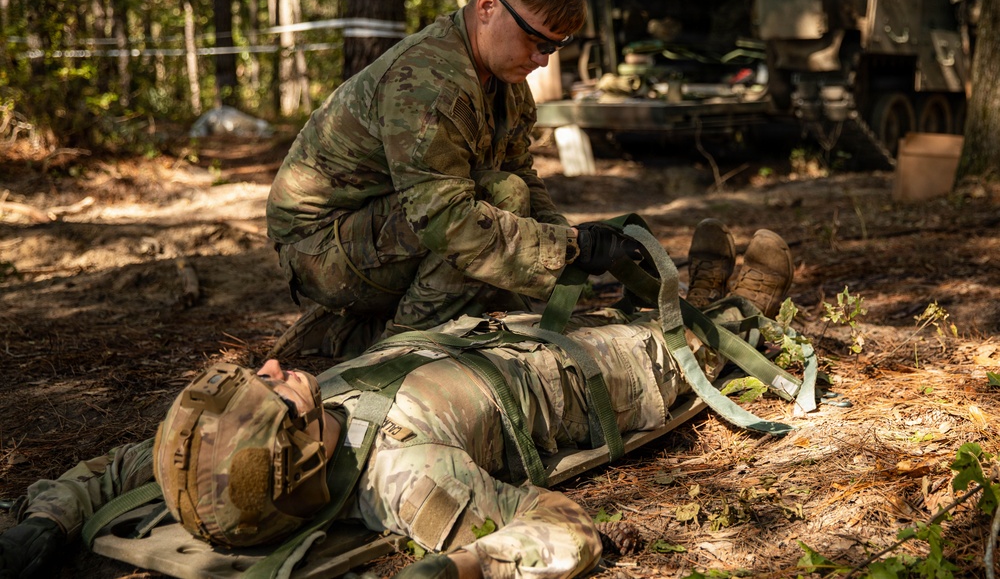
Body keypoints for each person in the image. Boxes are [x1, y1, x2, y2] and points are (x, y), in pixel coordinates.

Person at [0, 220, 799, 579]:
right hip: (565, 386)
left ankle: (705, 296)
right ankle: (742, 307)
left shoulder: (207, 451)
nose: (277, 365)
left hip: (473, 342)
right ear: (302, 452)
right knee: (666, 347)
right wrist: (467, 566)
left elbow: (114, 469)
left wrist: (47, 517)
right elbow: (562, 532)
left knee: (593, 307)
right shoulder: (408, 481)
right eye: (276, 390)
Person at [265, 0, 633, 359]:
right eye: (535, 40)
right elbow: (445, 220)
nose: (540, 59)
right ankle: (392, 353)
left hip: (382, 226)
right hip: (318, 248)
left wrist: (573, 238)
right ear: (487, 6)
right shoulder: (429, 81)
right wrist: (564, 250)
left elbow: (519, 169)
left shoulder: (505, 79)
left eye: (553, 48)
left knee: (507, 201)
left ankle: (372, 328)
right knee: (499, 200)